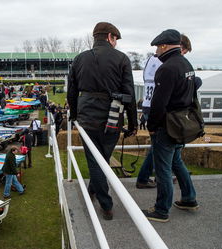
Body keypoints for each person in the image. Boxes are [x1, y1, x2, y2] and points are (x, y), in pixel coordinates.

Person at [67, 22, 137, 220]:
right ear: (109, 37)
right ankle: (106, 205)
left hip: (87, 116)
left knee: (97, 161)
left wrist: (73, 114)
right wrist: (133, 124)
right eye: (115, 39)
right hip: (112, 118)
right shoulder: (122, 59)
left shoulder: (80, 58)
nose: (116, 43)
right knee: (101, 160)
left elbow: (72, 90)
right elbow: (129, 94)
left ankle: (93, 191)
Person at [142, 29, 199, 223]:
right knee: (176, 162)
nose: (156, 51)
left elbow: (159, 103)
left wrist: (151, 126)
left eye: (158, 47)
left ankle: (161, 210)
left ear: (164, 46)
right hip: (182, 124)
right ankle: (189, 198)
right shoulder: (186, 64)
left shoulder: (166, 68)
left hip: (167, 126)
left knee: (163, 169)